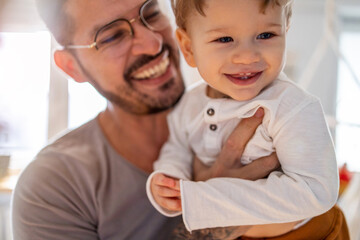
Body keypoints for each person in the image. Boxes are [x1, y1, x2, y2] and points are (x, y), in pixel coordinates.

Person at [11, 0, 280, 239]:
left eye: (151, 13)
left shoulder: (254, 122)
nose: (154, 44)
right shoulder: (52, 188)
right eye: (112, 36)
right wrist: (219, 205)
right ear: (72, 66)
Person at [147, 0, 350, 239]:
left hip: (307, 233)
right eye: (224, 39)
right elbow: (178, 148)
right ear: (189, 48)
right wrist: (169, 179)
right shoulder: (189, 104)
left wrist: (207, 197)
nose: (246, 56)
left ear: (286, 29)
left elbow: (316, 191)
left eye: (266, 34)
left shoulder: (291, 106)